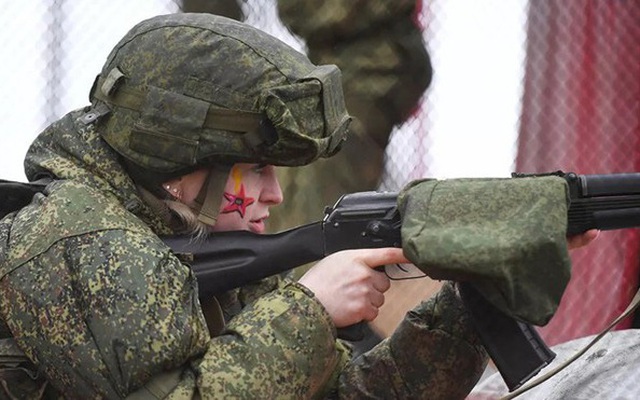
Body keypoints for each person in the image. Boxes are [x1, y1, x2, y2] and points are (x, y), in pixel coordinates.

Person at [0, 13, 595, 399]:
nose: (275, 195)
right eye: (255, 170)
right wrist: (309, 308)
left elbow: (345, 395)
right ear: (179, 166)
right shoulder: (73, 239)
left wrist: (471, 294)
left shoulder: (198, 240)